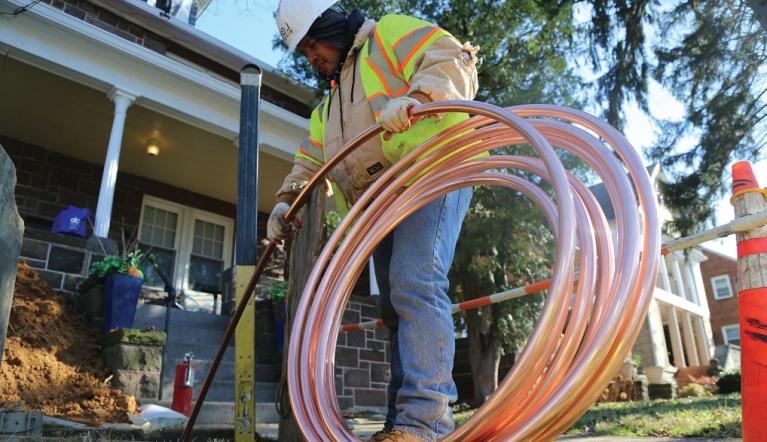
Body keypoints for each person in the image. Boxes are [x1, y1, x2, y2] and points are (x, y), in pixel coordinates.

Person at [268, 2, 480, 441]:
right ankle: (399, 426)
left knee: (414, 280)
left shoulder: (388, 35)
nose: (310, 56)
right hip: (382, 204)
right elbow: (311, 160)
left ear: (332, 26)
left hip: (433, 170)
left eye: (313, 43)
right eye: (303, 50)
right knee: (394, 307)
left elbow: (450, 57)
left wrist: (416, 98)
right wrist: (286, 201)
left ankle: (426, 424)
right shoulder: (329, 108)